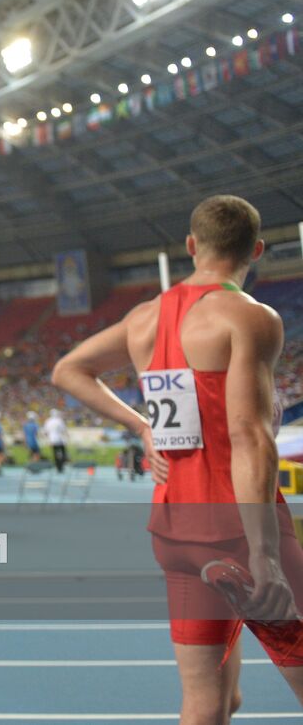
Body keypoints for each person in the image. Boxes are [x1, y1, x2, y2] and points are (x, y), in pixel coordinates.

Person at [53, 194, 303, 723]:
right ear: (255, 250)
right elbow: (249, 435)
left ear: (191, 246)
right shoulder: (250, 317)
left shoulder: (144, 319)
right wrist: (265, 555)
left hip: (176, 533)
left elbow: (69, 370)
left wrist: (140, 425)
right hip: (241, 528)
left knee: (208, 702)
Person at [44, 408, 69, 473]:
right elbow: (63, 430)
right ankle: (61, 466)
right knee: (63, 453)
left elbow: (46, 432)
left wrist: (49, 439)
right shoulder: (59, 420)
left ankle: (58, 467)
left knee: (55, 454)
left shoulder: (48, 421)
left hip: (52, 440)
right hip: (60, 440)